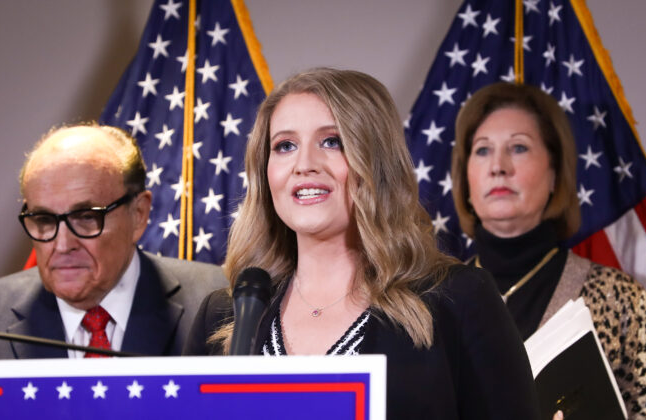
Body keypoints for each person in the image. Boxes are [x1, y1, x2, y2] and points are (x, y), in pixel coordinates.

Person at [186, 68, 541, 419]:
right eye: (285, 146)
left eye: (332, 141)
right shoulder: (223, 316)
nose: (304, 164)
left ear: (377, 163)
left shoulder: (458, 299)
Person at [451, 82, 646, 418]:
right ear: (466, 179)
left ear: (554, 174)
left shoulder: (620, 300)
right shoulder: (433, 304)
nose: (498, 166)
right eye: (483, 150)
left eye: (518, 148)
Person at [0, 124, 227, 359]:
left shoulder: (226, 306)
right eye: (43, 219)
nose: (62, 245)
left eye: (85, 217)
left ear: (139, 214)